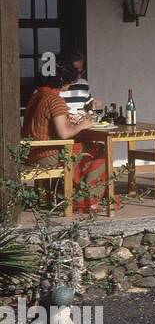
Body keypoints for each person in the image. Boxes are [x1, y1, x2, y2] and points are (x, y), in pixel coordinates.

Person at [23, 60, 113, 214]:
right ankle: (86, 201)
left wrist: (69, 118)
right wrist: (82, 125)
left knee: (84, 148)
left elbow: (47, 122)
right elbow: (64, 134)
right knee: (100, 150)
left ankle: (63, 195)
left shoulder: (38, 95)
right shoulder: (55, 99)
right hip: (47, 154)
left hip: (31, 152)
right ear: (62, 81)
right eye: (69, 82)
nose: (70, 86)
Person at [58, 49, 97, 118]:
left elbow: (87, 107)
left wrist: (92, 104)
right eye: (75, 71)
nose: (78, 75)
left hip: (79, 125)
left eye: (80, 71)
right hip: (63, 125)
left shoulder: (84, 84)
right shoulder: (54, 86)